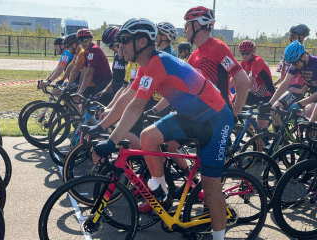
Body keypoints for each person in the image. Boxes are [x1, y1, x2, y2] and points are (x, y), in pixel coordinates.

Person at [86, 15, 247, 240]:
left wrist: (110, 142)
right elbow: (126, 101)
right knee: (148, 136)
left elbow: (135, 107)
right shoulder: (145, 66)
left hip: (216, 120)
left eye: (124, 39)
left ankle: (218, 237)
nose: (120, 45)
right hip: (190, 117)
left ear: (141, 42)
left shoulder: (158, 63)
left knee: (211, 188)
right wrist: (98, 128)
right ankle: (160, 190)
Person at [184, 6, 249, 116]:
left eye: (186, 26)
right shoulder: (194, 55)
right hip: (200, 113)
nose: (184, 31)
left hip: (218, 115)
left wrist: (235, 111)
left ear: (196, 26)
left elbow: (243, 80)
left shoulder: (218, 48)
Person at [269, 24, 310, 130]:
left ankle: (280, 142)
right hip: (288, 87)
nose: (290, 38)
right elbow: (285, 74)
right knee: (274, 112)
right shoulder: (290, 51)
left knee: (276, 109)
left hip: (296, 89)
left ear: (302, 37)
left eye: (293, 35)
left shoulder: (304, 55)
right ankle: (279, 139)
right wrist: (278, 84)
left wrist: (302, 90)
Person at [268, 40, 317, 123]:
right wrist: (270, 103)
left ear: (304, 56)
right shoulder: (296, 63)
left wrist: (300, 103)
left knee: (309, 113)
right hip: (312, 91)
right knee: (275, 110)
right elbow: (285, 83)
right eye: (291, 64)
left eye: (295, 63)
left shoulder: (315, 63)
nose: (294, 66)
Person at [236, 40, 275, 136]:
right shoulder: (244, 62)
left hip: (266, 95)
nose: (244, 56)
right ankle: (250, 126)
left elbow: (251, 81)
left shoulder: (257, 61)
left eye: (246, 53)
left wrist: (240, 93)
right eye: (242, 54)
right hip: (255, 94)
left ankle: (263, 146)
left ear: (253, 52)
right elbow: (237, 76)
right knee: (236, 106)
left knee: (261, 129)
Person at [76, 29, 112, 98]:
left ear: (91, 40)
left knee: (90, 104)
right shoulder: (86, 52)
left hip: (104, 83)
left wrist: (80, 91)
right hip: (96, 83)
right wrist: (79, 90)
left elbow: (89, 73)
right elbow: (84, 72)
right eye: (80, 41)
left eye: (85, 41)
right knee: (83, 102)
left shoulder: (94, 50)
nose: (83, 43)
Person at [98, 27, 127, 105]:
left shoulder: (128, 58)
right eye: (107, 45)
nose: (109, 48)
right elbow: (114, 77)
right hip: (114, 92)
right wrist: (106, 90)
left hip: (123, 94)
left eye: (110, 44)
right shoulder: (117, 57)